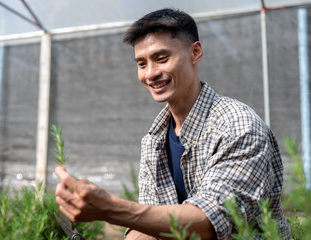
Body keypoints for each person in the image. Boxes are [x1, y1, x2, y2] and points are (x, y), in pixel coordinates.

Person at [55, 8, 290, 239]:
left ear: (195, 52)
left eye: (161, 58)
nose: (150, 74)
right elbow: (148, 225)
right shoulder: (153, 141)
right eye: (142, 63)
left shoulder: (238, 126)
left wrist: (110, 209)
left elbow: (209, 222)